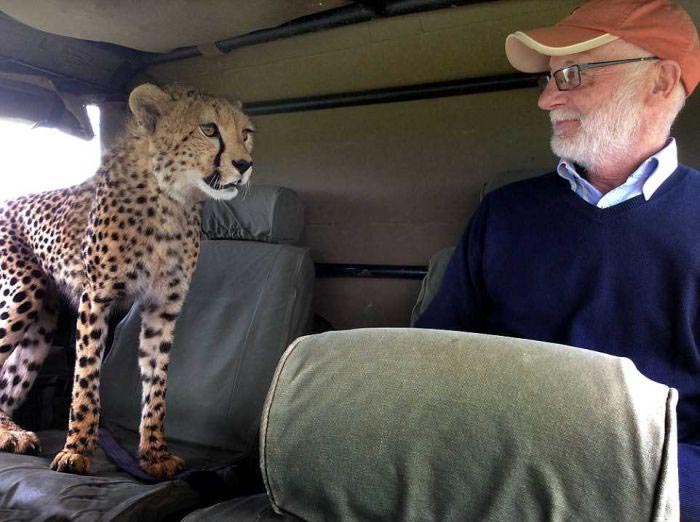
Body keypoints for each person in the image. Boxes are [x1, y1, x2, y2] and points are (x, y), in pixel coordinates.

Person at [414, 0, 700, 517]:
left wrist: (612, 488)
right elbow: (432, 366)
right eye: (546, 80)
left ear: (660, 81)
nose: (546, 99)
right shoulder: (502, 214)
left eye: (572, 74)